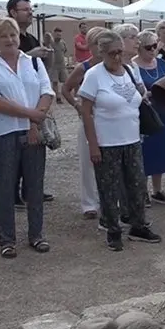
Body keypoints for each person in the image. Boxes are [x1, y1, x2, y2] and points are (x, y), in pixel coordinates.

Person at [78, 30, 162, 251]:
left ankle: (138, 224)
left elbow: (139, 96)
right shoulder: (94, 76)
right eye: (113, 53)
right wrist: (93, 144)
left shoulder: (128, 70)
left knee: (136, 185)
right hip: (107, 142)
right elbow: (86, 112)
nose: (117, 57)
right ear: (102, 52)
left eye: (120, 52)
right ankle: (113, 229)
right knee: (109, 188)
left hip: (132, 139)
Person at [0, 16, 55, 259]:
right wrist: (31, 115)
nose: (10, 39)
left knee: (34, 185)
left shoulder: (33, 62)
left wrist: (34, 121)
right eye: (4, 36)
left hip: (33, 131)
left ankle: (36, 235)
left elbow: (47, 91)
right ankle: (7, 239)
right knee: (5, 187)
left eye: (12, 35)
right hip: (5, 134)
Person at [1, 0, 54, 206]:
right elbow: (2, 63)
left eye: (31, 9)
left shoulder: (31, 38)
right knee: (14, 153)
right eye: (25, 10)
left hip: (34, 102)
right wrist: (31, 55)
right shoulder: (5, 38)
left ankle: (32, 190)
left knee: (34, 150)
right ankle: (12, 194)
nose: (30, 13)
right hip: (14, 105)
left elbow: (41, 73)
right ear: (13, 12)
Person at [63, 26, 108, 220]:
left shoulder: (113, 66)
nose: (99, 47)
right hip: (90, 118)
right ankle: (89, 203)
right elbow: (65, 89)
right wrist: (77, 106)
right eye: (96, 43)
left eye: (102, 42)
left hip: (109, 120)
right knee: (88, 160)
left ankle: (108, 199)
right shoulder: (84, 67)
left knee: (109, 161)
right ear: (89, 46)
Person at [133, 30, 165, 205]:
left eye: (154, 46)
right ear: (139, 48)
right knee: (145, 152)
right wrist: (151, 93)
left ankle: (157, 190)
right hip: (145, 113)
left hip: (163, 111)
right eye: (148, 47)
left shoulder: (161, 63)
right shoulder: (133, 66)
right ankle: (141, 190)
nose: (152, 50)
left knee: (161, 150)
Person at [48, 27, 69, 103]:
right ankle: (58, 97)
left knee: (66, 81)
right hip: (53, 66)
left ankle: (66, 95)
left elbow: (65, 51)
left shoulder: (63, 43)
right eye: (57, 35)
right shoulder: (51, 43)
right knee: (55, 82)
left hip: (62, 65)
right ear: (54, 34)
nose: (59, 36)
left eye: (60, 35)